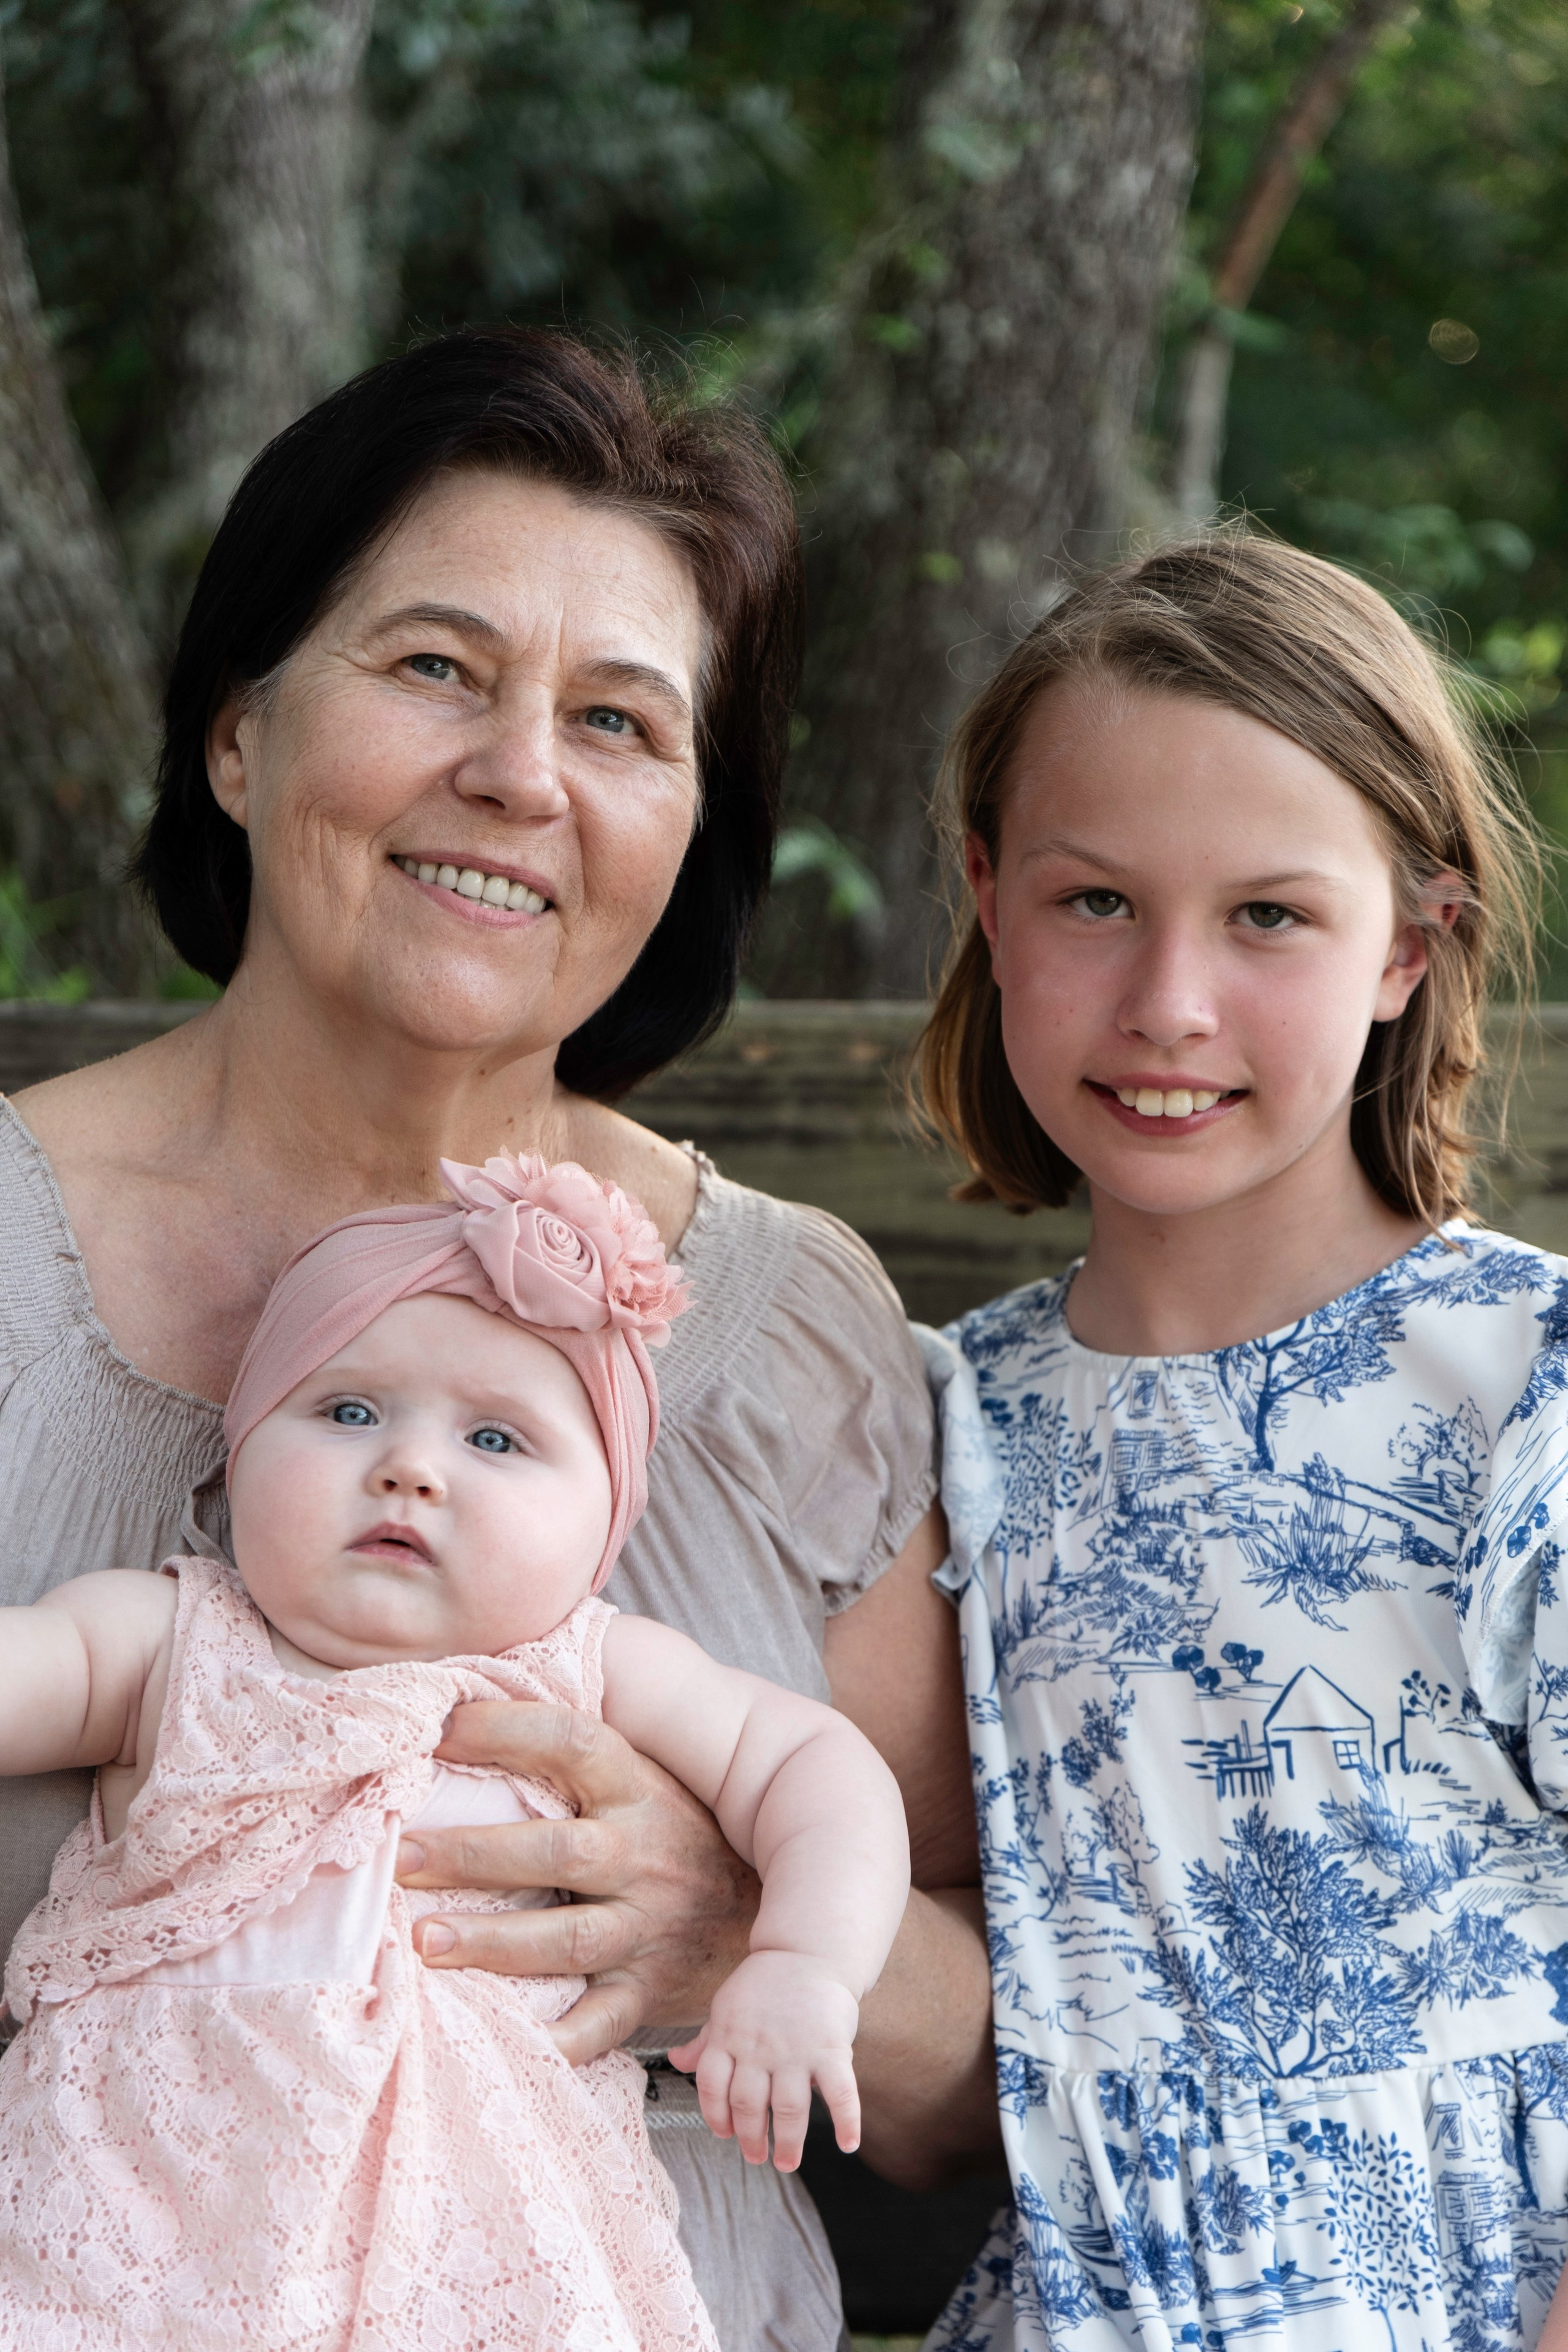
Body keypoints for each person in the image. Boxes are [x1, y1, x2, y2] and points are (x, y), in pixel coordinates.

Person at [0, 326, 997, 2350]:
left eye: (623, 721)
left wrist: (743, 1928)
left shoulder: (792, 1325)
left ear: (691, 828)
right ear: (234, 732)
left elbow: (977, 2069)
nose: (522, 774)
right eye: (435, 666)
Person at [913, 532, 1568, 2350]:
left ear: (1408, 946)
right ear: (986, 894)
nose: (1169, 1004)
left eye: (1269, 915)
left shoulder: (1528, 1386)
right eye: (1094, 903)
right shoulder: (947, 1425)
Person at [0, 1149, 911, 2347]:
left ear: (603, 1525)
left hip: (486, 2234)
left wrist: (803, 1963)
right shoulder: (166, 1638)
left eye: (495, 1441)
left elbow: (818, 1771)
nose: (408, 1467)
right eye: (346, 1411)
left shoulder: (592, 1667)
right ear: (241, 1452)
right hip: (148, 2204)